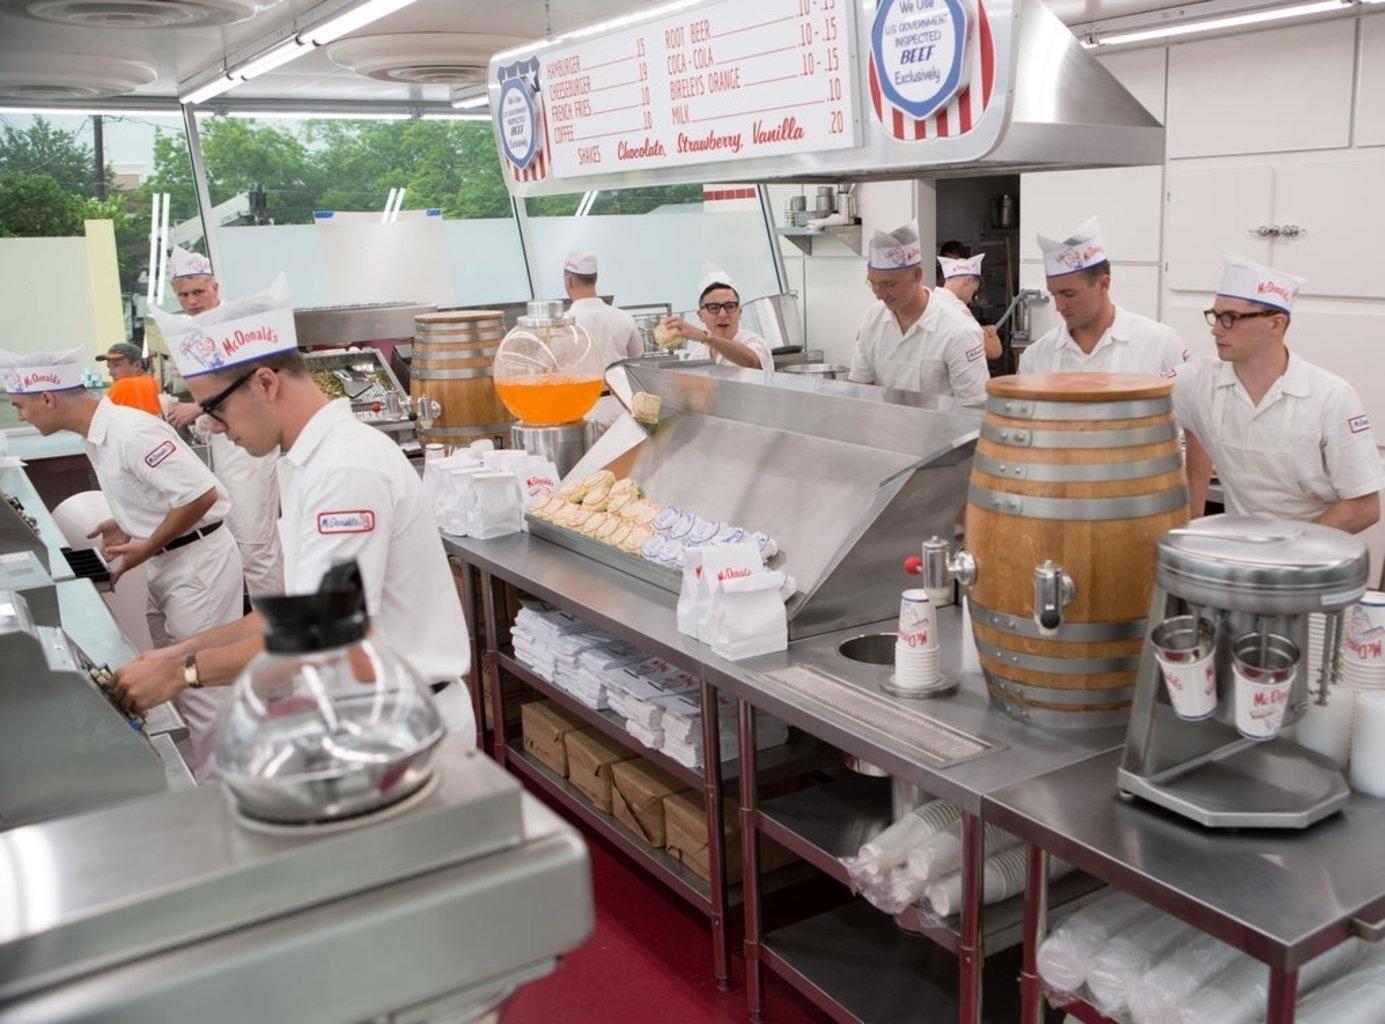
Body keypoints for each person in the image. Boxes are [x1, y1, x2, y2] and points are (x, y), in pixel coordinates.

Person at [110, 280, 477, 744]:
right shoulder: (308, 461)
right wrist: (178, 652)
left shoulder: (344, 469)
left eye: (215, 410)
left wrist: (182, 674)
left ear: (266, 382)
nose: (214, 428)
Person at [1, 346, 243, 780]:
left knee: (200, 686)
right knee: (172, 673)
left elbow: (200, 495)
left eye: (20, 405)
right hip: (169, 561)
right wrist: (127, 521)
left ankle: (220, 789)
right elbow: (156, 491)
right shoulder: (97, 434)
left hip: (199, 563)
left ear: (49, 398)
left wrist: (146, 544)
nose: (20, 416)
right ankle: (201, 771)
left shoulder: (132, 432)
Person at [1174, 253, 1382, 533]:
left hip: (1312, 561)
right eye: (1215, 316)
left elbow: (1364, 507)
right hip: (1243, 553)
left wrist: (1288, 549)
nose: (1215, 330)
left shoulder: (1331, 397)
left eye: (1230, 318)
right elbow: (1132, 398)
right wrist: (1192, 521)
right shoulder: (1197, 381)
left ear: (1275, 324)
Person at [157, 245, 284, 598]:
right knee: (237, 539)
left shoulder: (235, 326)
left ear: (215, 288)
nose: (191, 300)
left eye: (198, 291)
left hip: (249, 446)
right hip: (220, 440)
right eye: (183, 294)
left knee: (255, 541)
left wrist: (195, 409)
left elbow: (251, 384)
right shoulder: (189, 331)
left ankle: (278, 634)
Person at [1019, 216, 1188, 376]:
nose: (1059, 306)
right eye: (1054, 294)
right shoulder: (1036, 357)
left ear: (1104, 284)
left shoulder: (1160, 345)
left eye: (1068, 294)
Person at [847, 223, 988, 401]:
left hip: (942, 428)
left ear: (917, 275)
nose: (879, 294)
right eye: (873, 283)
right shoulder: (873, 318)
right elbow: (859, 389)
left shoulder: (958, 331)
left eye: (889, 285)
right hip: (884, 426)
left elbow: (975, 410)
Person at [562, 250, 643, 428]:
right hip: (622, 408)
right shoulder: (624, 318)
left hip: (582, 411)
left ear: (568, 281)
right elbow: (636, 361)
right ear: (595, 279)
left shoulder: (563, 326)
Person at [656, 264, 774, 370]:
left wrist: (705, 337)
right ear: (700, 315)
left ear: (740, 313)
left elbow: (752, 361)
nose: (723, 314)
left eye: (730, 306)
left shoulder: (755, 343)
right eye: (714, 307)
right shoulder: (697, 357)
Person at [934, 249, 1002, 360]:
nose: (971, 299)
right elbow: (993, 351)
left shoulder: (932, 301)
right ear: (967, 280)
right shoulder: (959, 314)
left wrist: (982, 330)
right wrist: (991, 335)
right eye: (973, 291)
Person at [98, 341, 164, 416]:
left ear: (136, 365)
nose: (110, 373)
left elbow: (95, 416)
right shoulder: (153, 382)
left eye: (116, 365)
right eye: (109, 367)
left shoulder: (124, 385)